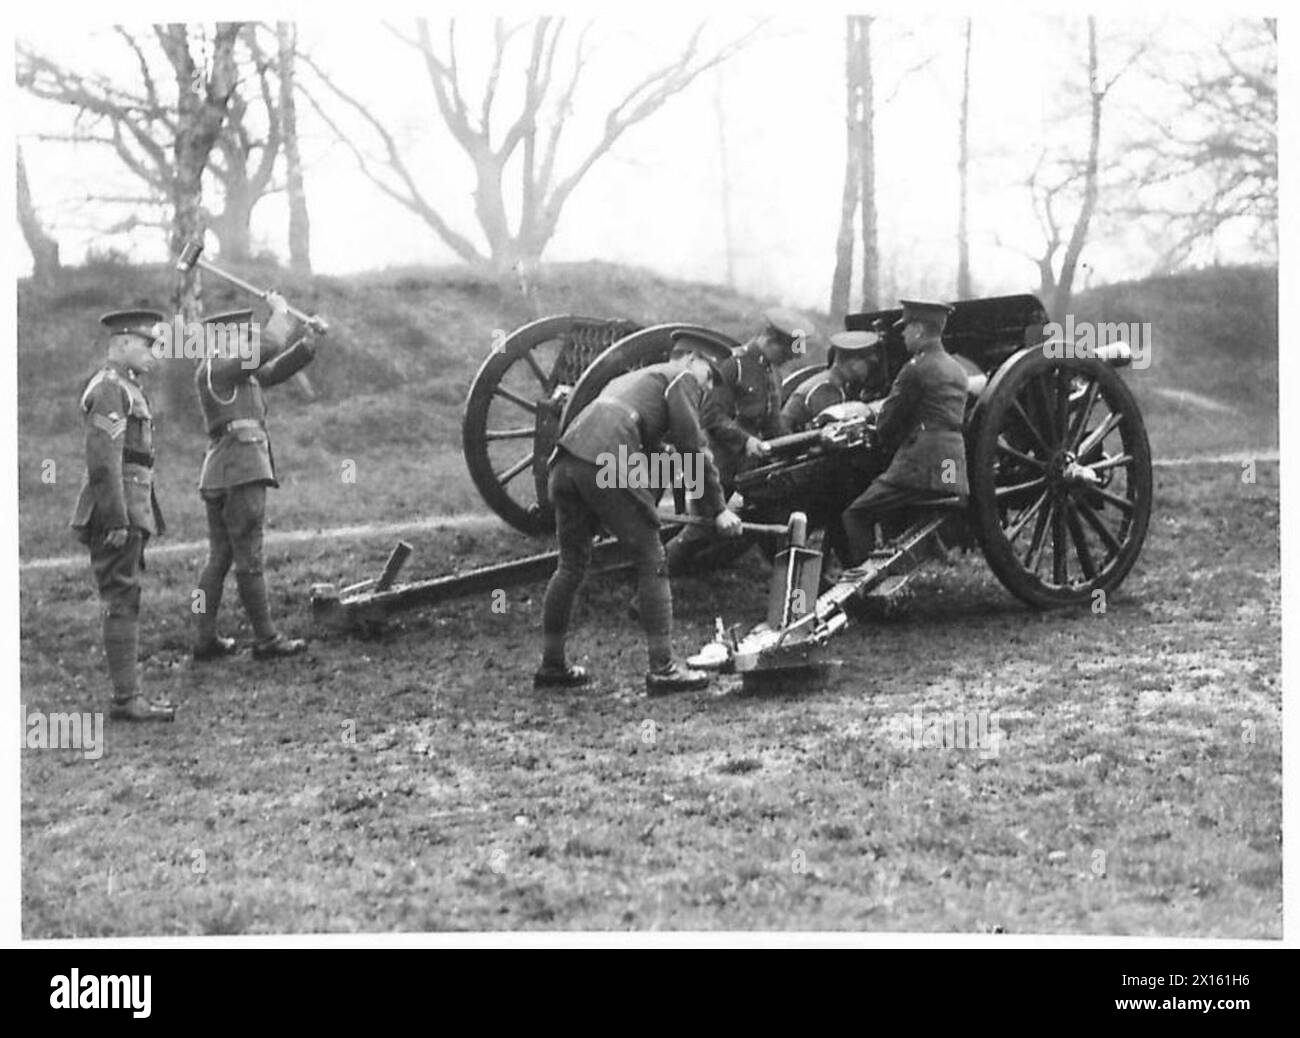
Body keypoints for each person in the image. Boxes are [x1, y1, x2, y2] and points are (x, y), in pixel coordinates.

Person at [537, 333, 743, 694]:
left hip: (566, 463)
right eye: (709, 377)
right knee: (653, 559)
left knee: (570, 567)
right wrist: (720, 510)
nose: (707, 388)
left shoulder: (633, 380)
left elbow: (657, 449)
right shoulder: (681, 379)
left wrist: (655, 495)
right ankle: (663, 669)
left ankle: (552, 666)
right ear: (692, 360)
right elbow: (692, 449)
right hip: (606, 460)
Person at [191, 295, 317, 661]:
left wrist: (305, 346)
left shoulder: (231, 371)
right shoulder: (219, 368)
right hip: (241, 469)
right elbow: (269, 346)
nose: (247, 340)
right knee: (248, 556)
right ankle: (266, 639)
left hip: (224, 469)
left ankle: (205, 639)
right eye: (241, 335)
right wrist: (280, 315)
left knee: (220, 557)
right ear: (222, 340)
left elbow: (272, 370)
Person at [70, 310, 175, 722]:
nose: (154, 353)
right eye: (148, 344)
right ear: (124, 342)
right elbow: (103, 461)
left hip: (131, 505)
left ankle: (127, 695)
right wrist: (115, 518)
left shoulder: (128, 387)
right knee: (120, 594)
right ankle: (126, 699)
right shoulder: (112, 389)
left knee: (126, 594)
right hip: (117, 510)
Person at [664, 308, 811, 574]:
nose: (786, 361)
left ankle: (790, 580)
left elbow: (773, 423)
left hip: (746, 467)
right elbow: (711, 416)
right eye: (784, 353)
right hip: (715, 462)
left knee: (764, 515)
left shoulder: (772, 373)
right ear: (769, 340)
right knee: (699, 525)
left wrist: (796, 447)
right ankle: (654, 576)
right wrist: (745, 441)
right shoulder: (734, 366)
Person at [841, 299, 970, 564]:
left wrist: (878, 435)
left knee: (855, 514)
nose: (902, 334)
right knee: (892, 507)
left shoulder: (915, 369)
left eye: (906, 328)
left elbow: (886, 424)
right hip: (952, 468)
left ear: (919, 330)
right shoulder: (958, 370)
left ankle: (863, 589)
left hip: (920, 468)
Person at [780, 329, 888, 432]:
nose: (869, 370)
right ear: (853, 362)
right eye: (868, 363)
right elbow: (828, 430)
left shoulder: (838, 383)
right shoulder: (826, 389)